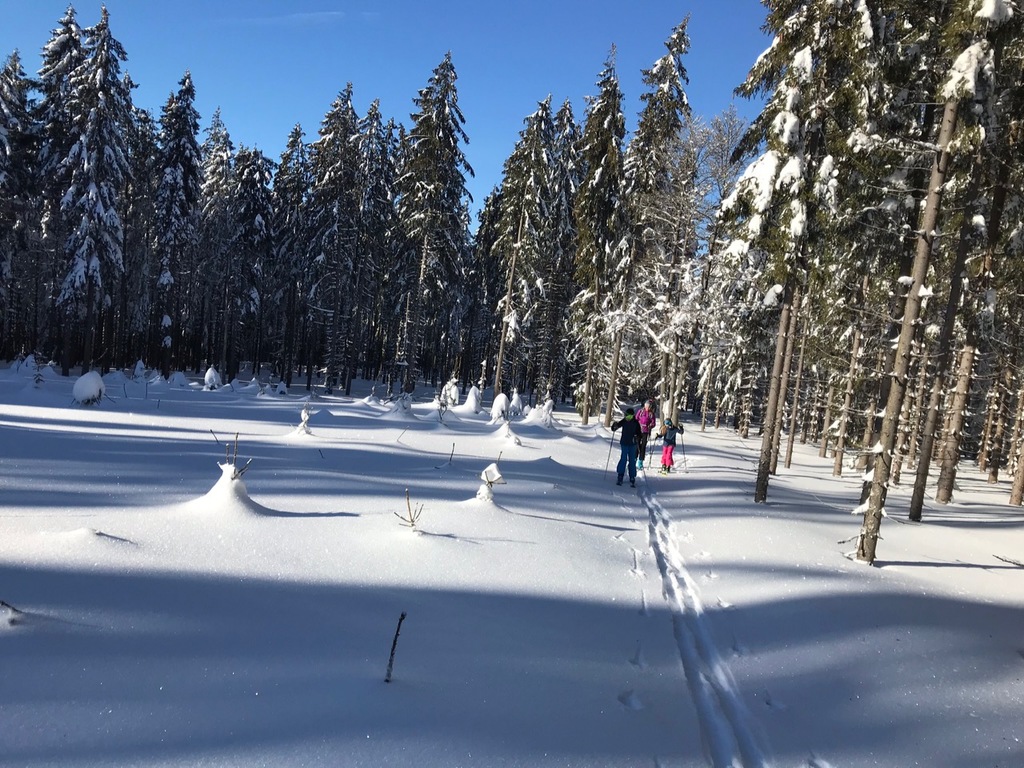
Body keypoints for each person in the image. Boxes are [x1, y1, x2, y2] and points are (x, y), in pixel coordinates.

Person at [611, 407, 641, 487]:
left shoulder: (636, 423)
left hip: (632, 444)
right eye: (626, 416)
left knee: (632, 460)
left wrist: (637, 437)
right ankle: (620, 475)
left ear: (632, 416)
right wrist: (614, 426)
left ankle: (632, 476)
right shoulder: (624, 421)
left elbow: (639, 434)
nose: (627, 417)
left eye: (629, 416)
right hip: (624, 443)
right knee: (623, 459)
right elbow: (615, 428)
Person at [636, 399, 657, 470]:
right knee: (637, 445)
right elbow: (636, 419)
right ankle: (634, 460)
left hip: (646, 432)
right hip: (638, 430)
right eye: (646, 405)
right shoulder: (640, 411)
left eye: (648, 406)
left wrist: (650, 425)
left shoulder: (651, 414)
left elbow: (653, 423)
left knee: (643, 446)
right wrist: (637, 424)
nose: (647, 407)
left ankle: (640, 462)